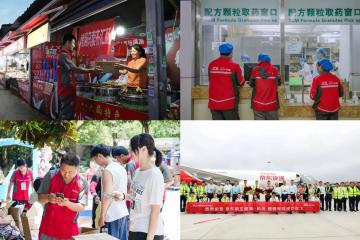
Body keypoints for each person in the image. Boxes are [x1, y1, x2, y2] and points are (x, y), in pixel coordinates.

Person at [37, 154, 89, 240]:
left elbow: (82, 207)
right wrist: (48, 198)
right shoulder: (51, 175)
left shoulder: (82, 183)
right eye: (63, 171)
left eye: (70, 172)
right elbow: (40, 198)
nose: (66, 175)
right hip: (48, 228)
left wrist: (67, 203)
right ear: (60, 166)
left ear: (78, 169)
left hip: (69, 231)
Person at [128, 134, 165, 240]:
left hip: (148, 232)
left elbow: (155, 209)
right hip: (135, 227)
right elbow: (135, 196)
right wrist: (122, 196)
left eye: (132, 149)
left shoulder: (154, 175)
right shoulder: (138, 171)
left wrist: (149, 238)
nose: (130, 153)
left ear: (143, 149)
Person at [58, 34, 103, 119]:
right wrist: (92, 70)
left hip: (67, 88)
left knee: (66, 112)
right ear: (68, 42)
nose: (74, 46)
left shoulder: (65, 55)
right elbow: (74, 69)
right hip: (66, 89)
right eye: (73, 43)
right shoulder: (63, 55)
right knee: (67, 114)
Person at [91, 144, 129, 240]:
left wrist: (102, 216)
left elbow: (106, 195)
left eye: (95, 159)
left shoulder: (107, 171)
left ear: (100, 155)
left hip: (112, 214)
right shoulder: (121, 168)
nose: (96, 162)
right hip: (123, 212)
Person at [208, 43, 245, 120]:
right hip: (229, 103)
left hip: (214, 103)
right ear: (231, 54)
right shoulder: (234, 66)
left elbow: (210, 79)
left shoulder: (211, 64)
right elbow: (241, 83)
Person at [250, 53, 281, 120]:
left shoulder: (255, 70)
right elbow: (279, 82)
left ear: (259, 61)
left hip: (258, 104)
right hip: (272, 104)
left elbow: (251, 84)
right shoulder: (275, 69)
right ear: (269, 61)